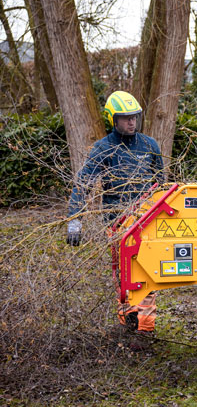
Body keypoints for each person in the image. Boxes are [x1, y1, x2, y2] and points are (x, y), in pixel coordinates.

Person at [66, 91, 164, 335]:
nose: (131, 122)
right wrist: (75, 220)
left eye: (134, 117)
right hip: (117, 222)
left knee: (148, 273)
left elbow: (160, 184)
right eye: (125, 118)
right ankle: (128, 323)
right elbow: (84, 184)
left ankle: (145, 329)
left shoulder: (149, 145)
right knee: (124, 276)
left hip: (147, 220)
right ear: (113, 119)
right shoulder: (104, 148)